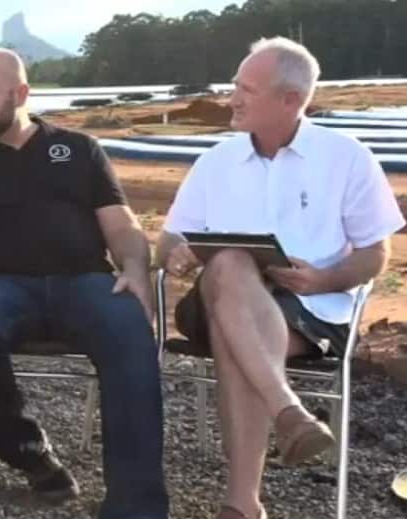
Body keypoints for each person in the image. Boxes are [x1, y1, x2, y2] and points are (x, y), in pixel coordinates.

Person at [157, 37, 405, 519]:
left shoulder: (347, 157)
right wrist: (178, 253)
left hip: (310, 308)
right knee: (229, 263)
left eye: (246, 90)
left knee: (239, 339)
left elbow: (376, 254)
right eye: (235, 86)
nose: (232, 98)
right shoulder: (216, 161)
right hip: (212, 301)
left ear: (290, 100)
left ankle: (243, 505)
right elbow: (166, 242)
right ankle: (287, 410)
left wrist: (326, 278)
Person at [0, 49, 169, 519]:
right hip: (3, 289)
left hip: (87, 283)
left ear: (21, 94)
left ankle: (135, 506)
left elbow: (121, 224)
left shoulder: (79, 149)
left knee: (130, 326)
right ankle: (31, 454)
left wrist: (136, 267)